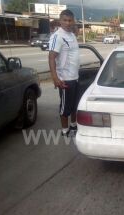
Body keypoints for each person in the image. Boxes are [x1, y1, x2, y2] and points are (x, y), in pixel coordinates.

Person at [48, 9, 80, 138]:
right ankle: (65, 129)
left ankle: (73, 124)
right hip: (65, 78)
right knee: (65, 107)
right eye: (65, 20)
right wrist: (55, 78)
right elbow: (51, 58)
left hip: (75, 77)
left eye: (70, 20)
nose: (67, 23)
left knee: (74, 104)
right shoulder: (58, 36)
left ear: (73, 21)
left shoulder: (72, 35)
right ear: (60, 21)